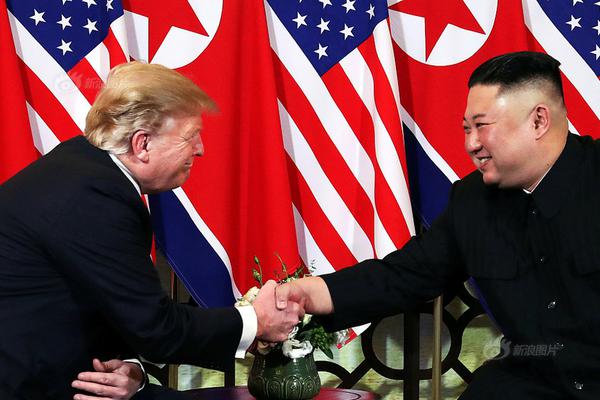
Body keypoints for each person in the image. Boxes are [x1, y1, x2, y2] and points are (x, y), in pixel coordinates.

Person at [275, 51, 600, 399]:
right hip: (529, 384)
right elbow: (402, 276)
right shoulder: (471, 201)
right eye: (466, 129)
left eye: (482, 126)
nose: (471, 144)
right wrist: (309, 294)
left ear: (538, 121)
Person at [0, 62, 302, 400]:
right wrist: (256, 321)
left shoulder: (86, 169)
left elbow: (115, 306)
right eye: (190, 136)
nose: (200, 148)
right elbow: (158, 331)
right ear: (142, 143)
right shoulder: (95, 195)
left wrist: (130, 368)